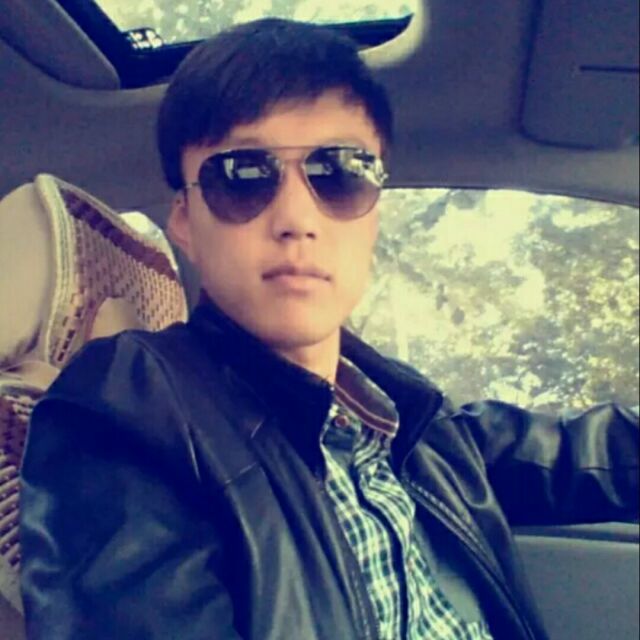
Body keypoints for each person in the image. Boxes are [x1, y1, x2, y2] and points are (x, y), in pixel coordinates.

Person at [19, 18, 638, 640]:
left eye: (340, 173)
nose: (296, 217)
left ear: (373, 214)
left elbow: (586, 457)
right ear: (184, 222)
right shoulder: (125, 408)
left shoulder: (411, 421)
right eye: (242, 175)